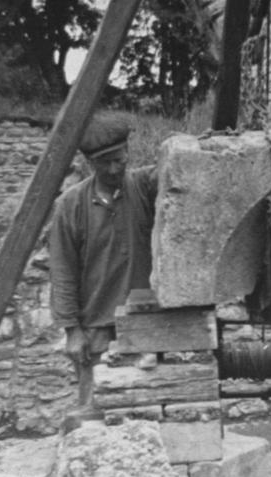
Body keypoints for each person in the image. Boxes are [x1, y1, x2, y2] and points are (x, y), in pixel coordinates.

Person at [49, 112, 158, 406]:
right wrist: (72, 331)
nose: (113, 169)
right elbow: (62, 270)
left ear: (128, 153)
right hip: (96, 330)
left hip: (144, 324)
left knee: (146, 408)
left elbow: (176, 170)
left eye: (119, 160)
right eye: (104, 162)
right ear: (89, 163)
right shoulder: (70, 205)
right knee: (94, 411)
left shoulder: (143, 186)